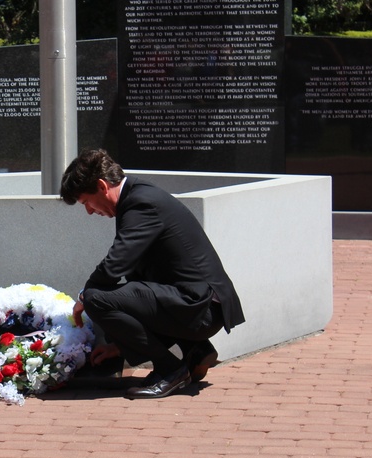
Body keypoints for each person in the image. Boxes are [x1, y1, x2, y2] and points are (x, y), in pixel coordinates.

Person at [60, 149, 245, 399]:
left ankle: (170, 370)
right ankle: (196, 350)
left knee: (96, 298)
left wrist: (84, 297)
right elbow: (139, 282)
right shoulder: (137, 196)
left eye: (86, 203)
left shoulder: (141, 202)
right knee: (123, 290)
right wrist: (120, 347)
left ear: (102, 186)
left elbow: (116, 264)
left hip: (201, 308)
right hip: (200, 303)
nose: (90, 212)